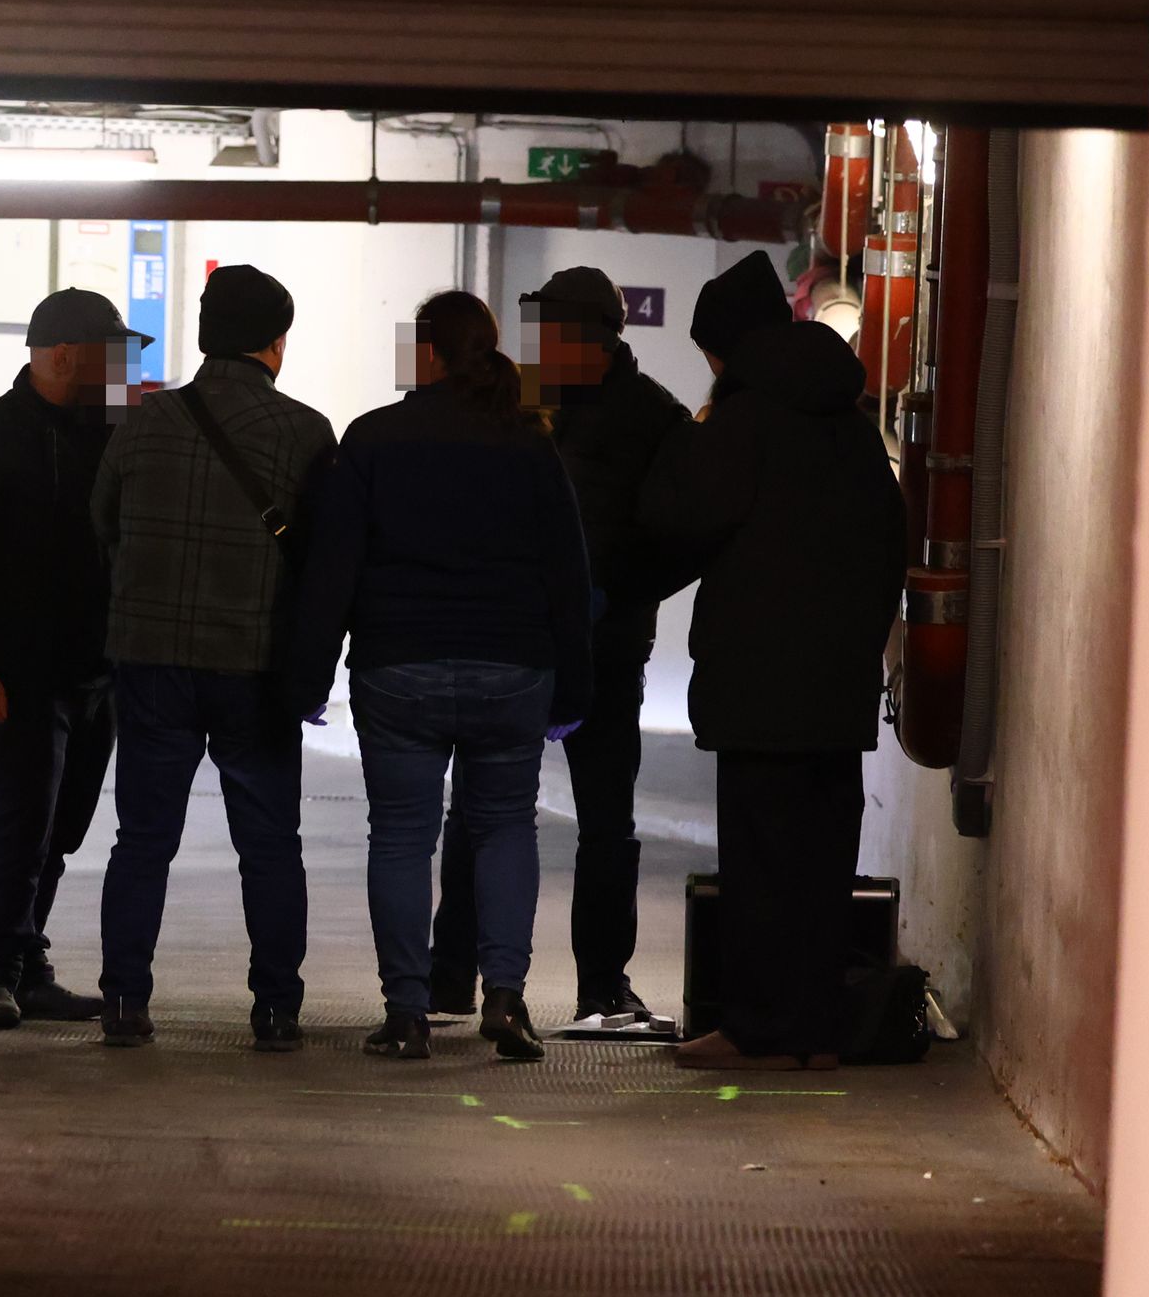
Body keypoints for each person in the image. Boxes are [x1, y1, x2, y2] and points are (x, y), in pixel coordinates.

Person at [281, 292, 593, 1063]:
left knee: (399, 836)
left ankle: (407, 1014)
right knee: (505, 827)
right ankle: (507, 1000)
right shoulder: (530, 442)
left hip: (399, 668)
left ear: (427, 354)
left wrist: (309, 676)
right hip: (512, 668)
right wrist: (575, 687)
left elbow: (334, 569)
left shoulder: (372, 438)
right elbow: (567, 571)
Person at [637, 249, 905, 1069]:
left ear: (727, 348)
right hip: (839, 686)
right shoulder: (851, 425)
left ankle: (755, 1029)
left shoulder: (743, 421)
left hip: (758, 686)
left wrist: (686, 441)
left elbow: (678, 520)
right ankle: (816, 1032)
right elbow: (892, 537)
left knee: (760, 864)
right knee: (823, 863)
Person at [428, 266, 696, 1037]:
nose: (535, 347)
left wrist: (615, 591)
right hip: (513, 642)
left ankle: (603, 988)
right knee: (477, 810)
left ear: (593, 340)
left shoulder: (654, 418)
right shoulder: (517, 404)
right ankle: (452, 973)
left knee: (606, 822)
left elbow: (679, 537)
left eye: (549, 334)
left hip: (606, 649)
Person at [88, 264, 335, 1052]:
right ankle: (277, 1008)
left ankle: (123, 1001)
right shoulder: (305, 431)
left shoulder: (142, 421)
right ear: (276, 343)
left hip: (150, 660)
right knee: (269, 845)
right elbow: (325, 561)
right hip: (254, 663)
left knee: (142, 838)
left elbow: (103, 523)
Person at [0, 285, 138, 1028]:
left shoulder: (114, 436)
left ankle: (26, 965)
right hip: (14, 675)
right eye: (113, 357)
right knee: (20, 819)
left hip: (97, 671)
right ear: (64, 357)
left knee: (62, 828)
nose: (124, 372)